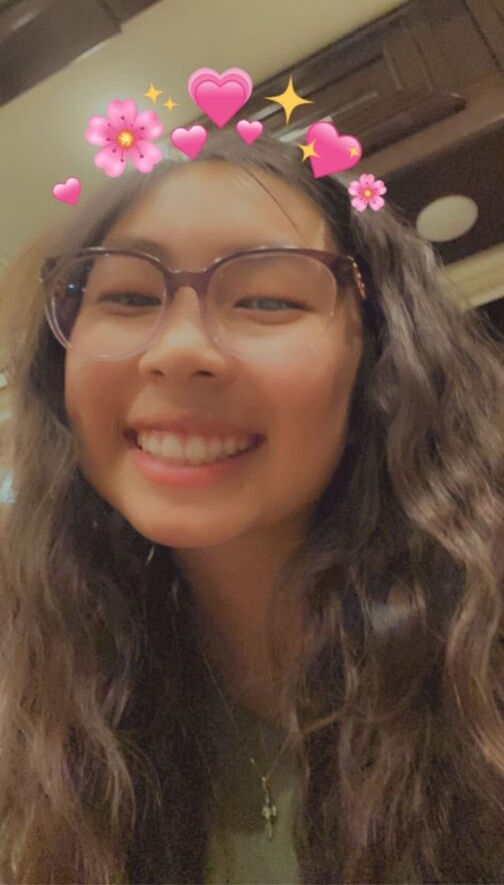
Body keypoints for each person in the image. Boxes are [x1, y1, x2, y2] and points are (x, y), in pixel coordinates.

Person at [0, 130, 502, 885]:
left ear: (378, 352)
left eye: (268, 299)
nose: (178, 350)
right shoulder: (36, 689)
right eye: (128, 296)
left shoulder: (483, 660)